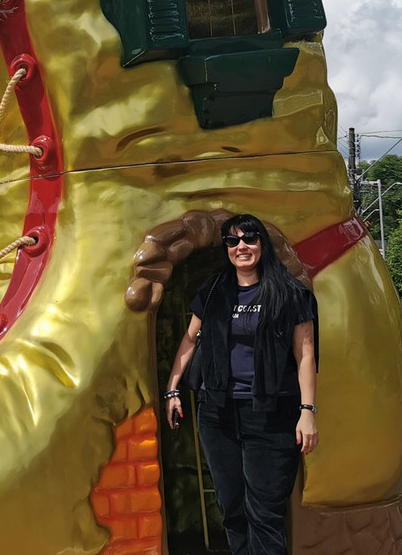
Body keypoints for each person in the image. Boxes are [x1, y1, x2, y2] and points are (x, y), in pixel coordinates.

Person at [163, 214, 318, 555]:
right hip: (218, 414)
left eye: (248, 239)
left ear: (262, 242)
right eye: (232, 242)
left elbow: (306, 355)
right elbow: (190, 341)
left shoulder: (289, 293)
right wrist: (173, 389)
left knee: (264, 512)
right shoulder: (215, 289)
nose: (241, 247)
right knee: (232, 508)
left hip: (271, 413)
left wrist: (307, 411)